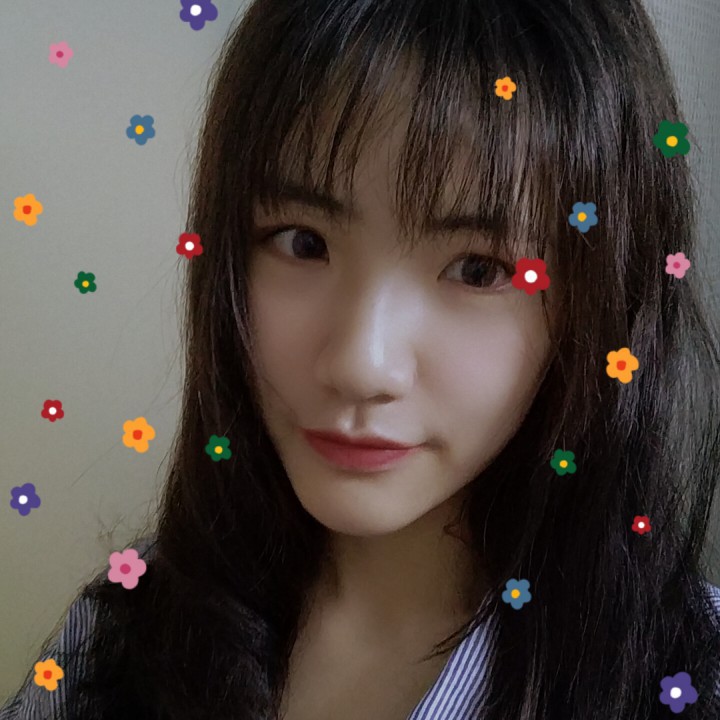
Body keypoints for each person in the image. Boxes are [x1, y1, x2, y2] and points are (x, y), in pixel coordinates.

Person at [3, 0, 720, 718]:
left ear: (602, 304)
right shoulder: (123, 630)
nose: (360, 366)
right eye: (303, 242)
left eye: (478, 270)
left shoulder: (690, 675)